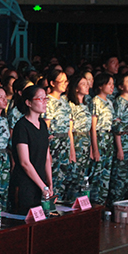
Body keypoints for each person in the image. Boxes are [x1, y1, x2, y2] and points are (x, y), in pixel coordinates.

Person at [9, 85, 53, 215]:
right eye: (40, 99)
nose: (44, 102)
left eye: (46, 99)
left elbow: (46, 156)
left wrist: (49, 183)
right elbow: (24, 162)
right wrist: (43, 186)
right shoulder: (21, 126)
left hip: (41, 184)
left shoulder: (43, 124)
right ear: (28, 102)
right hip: (25, 184)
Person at [43, 70, 75, 201]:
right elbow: (46, 126)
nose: (65, 84)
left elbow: (69, 128)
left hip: (65, 141)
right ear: (52, 83)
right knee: (53, 176)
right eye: (61, 81)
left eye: (66, 81)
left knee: (64, 176)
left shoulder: (65, 101)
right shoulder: (48, 101)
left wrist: (71, 149)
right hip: (54, 142)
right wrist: (47, 149)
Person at [108, 74, 128, 204]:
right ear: (121, 86)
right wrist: (120, 149)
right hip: (123, 141)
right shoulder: (119, 102)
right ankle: (115, 203)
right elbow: (117, 127)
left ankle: (125, 203)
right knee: (119, 176)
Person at [65, 74, 93, 202]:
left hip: (86, 141)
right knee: (74, 175)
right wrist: (72, 150)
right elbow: (70, 130)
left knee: (83, 175)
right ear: (75, 88)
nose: (87, 86)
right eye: (83, 84)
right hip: (76, 141)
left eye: (87, 84)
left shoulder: (87, 104)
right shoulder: (71, 105)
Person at [89, 73, 115, 205]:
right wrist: (95, 149)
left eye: (112, 84)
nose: (112, 87)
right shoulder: (95, 101)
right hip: (99, 136)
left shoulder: (110, 102)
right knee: (97, 171)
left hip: (108, 137)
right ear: (100, 86)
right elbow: (93, 127)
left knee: (106, 171)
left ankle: (102, 200)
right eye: (109, 84)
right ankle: (93, 201)